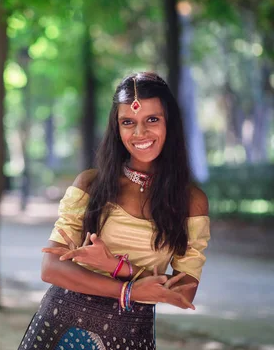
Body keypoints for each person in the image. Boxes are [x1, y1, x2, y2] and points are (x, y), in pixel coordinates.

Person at [17, 72, 210, 350]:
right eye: (128, 122)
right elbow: (51, 268)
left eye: (152, 120)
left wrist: (117, 267)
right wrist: (128, 290)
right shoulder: (91, 184)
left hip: (131, 337)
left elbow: (185, 292)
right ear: (117, 129)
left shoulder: (190, 201)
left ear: (170, 123)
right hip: (62, 330)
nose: (140, 133)